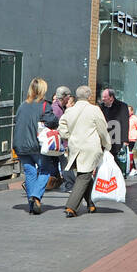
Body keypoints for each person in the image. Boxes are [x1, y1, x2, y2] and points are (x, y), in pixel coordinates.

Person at [60, 85, 111, 216]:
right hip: (90, 147)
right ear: (89, 96)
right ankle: (71, 206)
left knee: (84, 174)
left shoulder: (69, 110)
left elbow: (62, 127)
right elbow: (102, 128)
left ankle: (91, 203)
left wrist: (68, 136)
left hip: (74, 147)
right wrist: (106, 144)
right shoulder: (94, 110)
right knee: (84, 176)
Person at [14, 77, 58, 214]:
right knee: (45, 169)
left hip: (20, 145)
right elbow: (53, 122)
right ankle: (36, 196)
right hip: (36, 145)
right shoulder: (45, 105)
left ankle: (32, 204)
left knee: (30, 172)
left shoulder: (22, 105)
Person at [99, 87, 131, 175]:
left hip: (117, 138)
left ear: (111, 97)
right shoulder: (101, 107)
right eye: (102, 97)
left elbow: (125, 123)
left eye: (105, 97)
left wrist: (125, 140)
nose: (103, 99)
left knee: (117, 160)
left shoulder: (122, 106)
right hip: (105, 139)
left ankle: (117, 177)